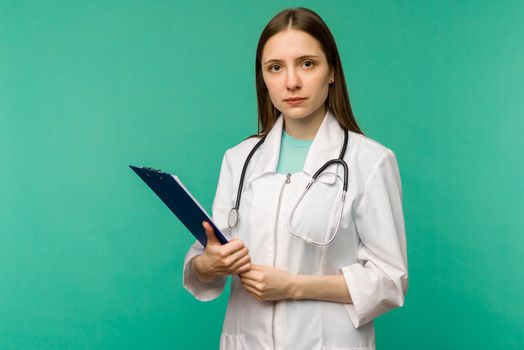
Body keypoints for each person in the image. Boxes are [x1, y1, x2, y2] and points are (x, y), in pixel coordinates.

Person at [183, 7, 408, 350]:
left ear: (331, 71)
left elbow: (389, 281)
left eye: (307, 63)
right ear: (263, 78)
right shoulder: (239, 159)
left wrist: (292, 286)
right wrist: (207, 264)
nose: (291, 82)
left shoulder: (371, 161)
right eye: (275, 68)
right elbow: (204, 263)